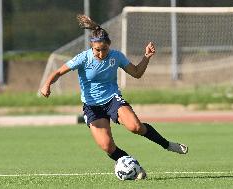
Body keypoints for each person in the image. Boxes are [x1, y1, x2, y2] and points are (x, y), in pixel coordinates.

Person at [40, 14, 188, 179]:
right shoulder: (83, 58)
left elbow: (137, 73)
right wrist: (47, 84)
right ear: (92, 46)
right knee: (107, 146)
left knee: (136, 127)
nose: (101, 53)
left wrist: (146, 57)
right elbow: (58, 72)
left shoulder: (116, 56)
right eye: (97, 50)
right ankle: (134, 167)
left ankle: (167, 145)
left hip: (112, 100)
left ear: (109, 45)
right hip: (92, 107)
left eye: (104, 49)